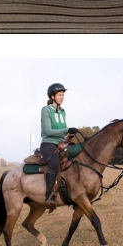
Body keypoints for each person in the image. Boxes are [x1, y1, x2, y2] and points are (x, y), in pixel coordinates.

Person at [40, 83, 78, 211]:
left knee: (76, 157)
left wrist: (68, 136)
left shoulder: (63, 111)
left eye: (63, 95)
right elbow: (48, 131)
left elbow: (62, 130)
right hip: (48, 143)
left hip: (61, 143)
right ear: (52, 96)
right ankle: (48, 197)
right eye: (59, 95)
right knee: (55, 164)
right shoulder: (46, 110)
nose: (62, 97)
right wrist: (67, 129)